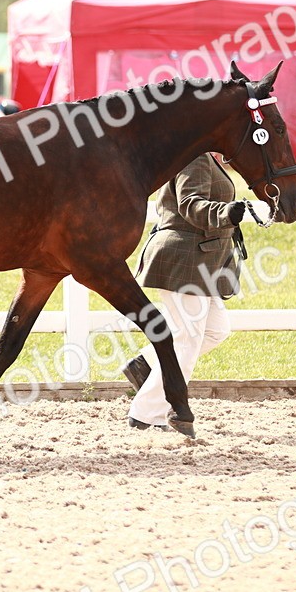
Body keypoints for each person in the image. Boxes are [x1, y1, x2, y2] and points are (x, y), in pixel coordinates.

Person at [122, 153, 246, 429]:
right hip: (184, 258)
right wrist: (224, 213)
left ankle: (146, 363)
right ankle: (146, 414)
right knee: (187, 339)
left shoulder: (207, 158)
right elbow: (191, 204)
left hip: (201, 260)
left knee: (216, 329)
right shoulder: (195, 157)